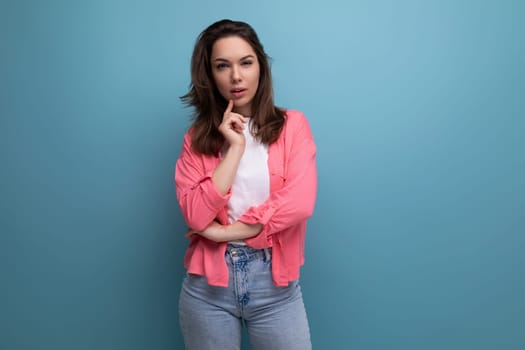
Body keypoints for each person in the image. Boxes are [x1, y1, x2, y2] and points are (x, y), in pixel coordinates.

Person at [175, 19, 317, 350]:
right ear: (209, 76)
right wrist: (234, 149)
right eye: (222, 66)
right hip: (207, 291)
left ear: (260, 67)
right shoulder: (196, 139)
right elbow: (195, 216)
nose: (236, 76)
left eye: (246, 63)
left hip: (275, 289)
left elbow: (300, 202)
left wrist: (229, 232)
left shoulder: (292, 126)